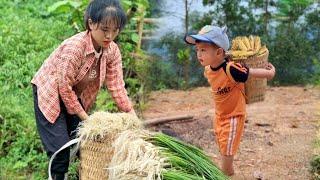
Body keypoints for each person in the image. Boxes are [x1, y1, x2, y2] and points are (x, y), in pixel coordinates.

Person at [31, 0, 136, 179]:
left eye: (115, 30)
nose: (109, 36)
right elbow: (63, 87)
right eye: (105, 29)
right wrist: (87, 119)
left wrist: (132, 115)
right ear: (91, 23)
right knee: (60, 150)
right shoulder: (75, 47)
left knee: (86, 142)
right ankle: (57, 176)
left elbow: (116, 86)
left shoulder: (112, 51)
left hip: (74, 94)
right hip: (51, 93)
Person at [185, 25, 275, 176]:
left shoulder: (232, 69)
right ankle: (228, 173)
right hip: (220, 115)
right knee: (223, 148)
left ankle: (226, 174)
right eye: (197, 50)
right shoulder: (208, 68)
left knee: (227, 154)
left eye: (203, 50)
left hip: (233, 116)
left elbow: (251, 73)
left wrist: (270, 74)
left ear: (219, 52)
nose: (198, 54)